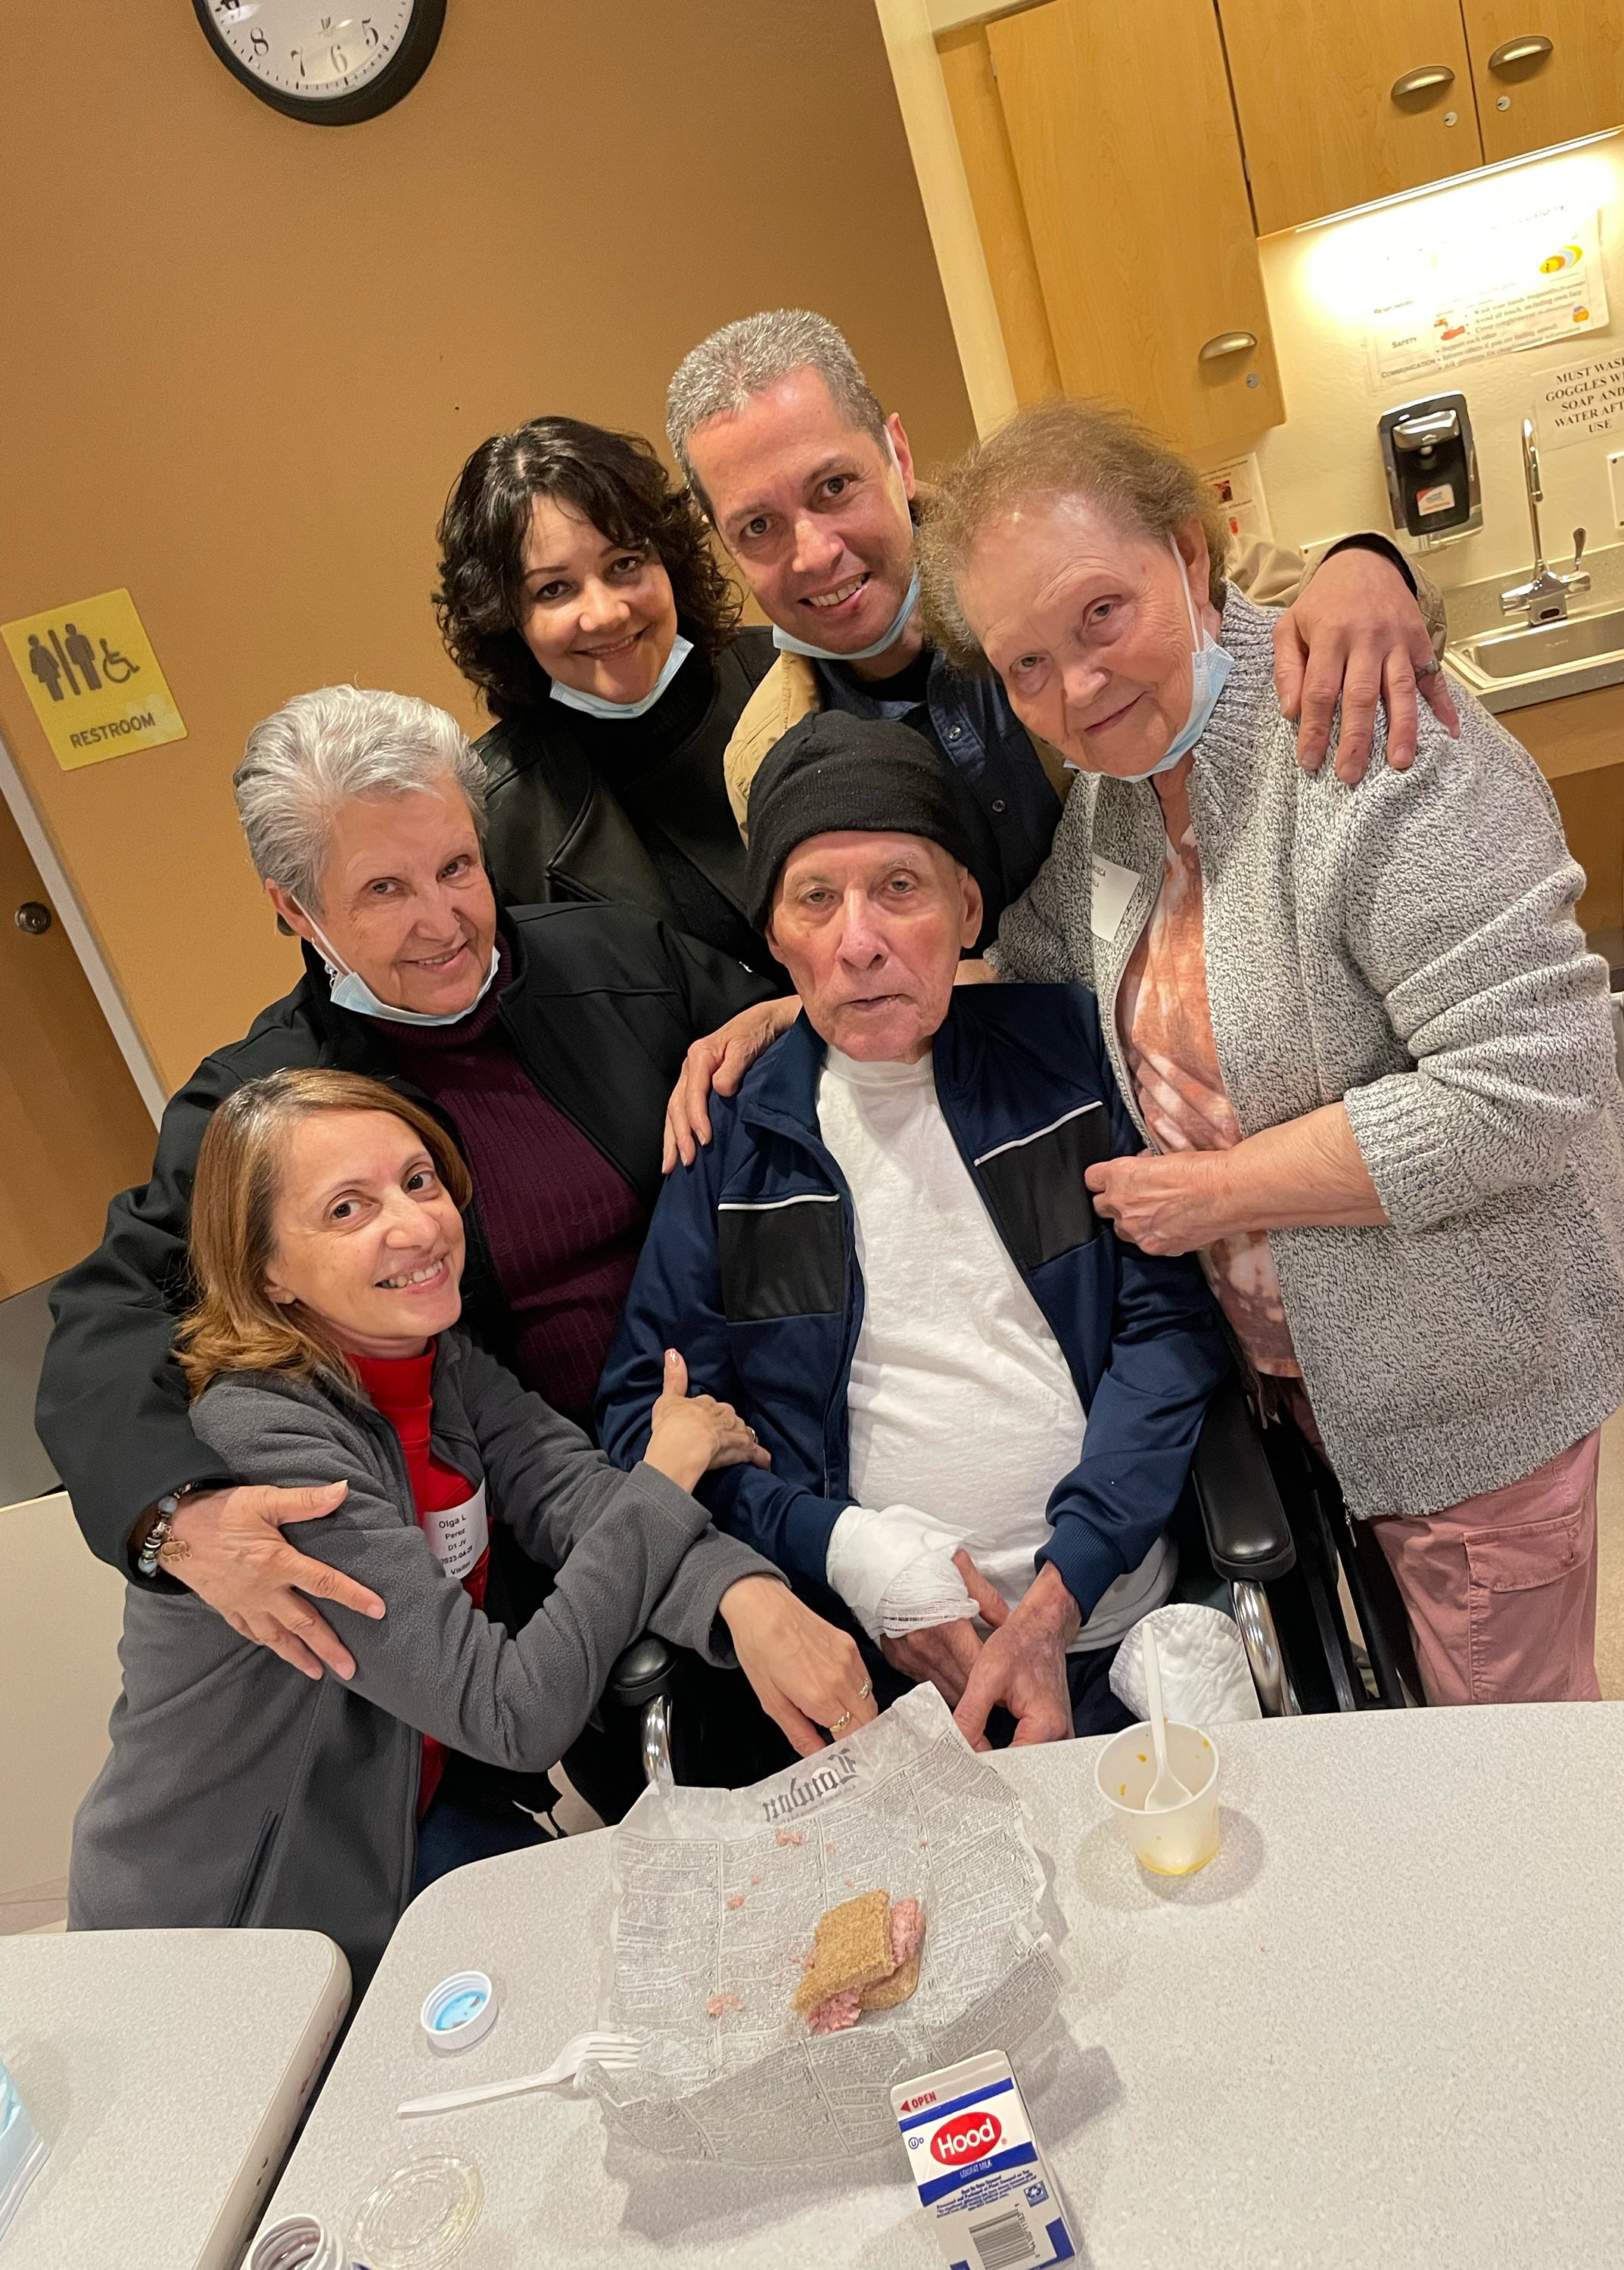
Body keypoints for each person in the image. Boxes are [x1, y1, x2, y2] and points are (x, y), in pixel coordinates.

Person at [908, 399, 1624, 1706]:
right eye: (1025, 666)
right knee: (1428, 1718)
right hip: (1317, 1386)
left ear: (1189, 556)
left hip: (1475, 1380)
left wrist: (1215, 1193)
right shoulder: (1118, 801)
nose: (1076, 690)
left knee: (1514, 1754)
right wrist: (822, 999)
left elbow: (1527, 1079)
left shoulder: (1365, 730)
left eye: (1102, 614)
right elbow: (1033, 964)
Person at [37, 688, 775, 1737]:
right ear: (296, 909)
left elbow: (803, 1052)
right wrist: (174, 1516)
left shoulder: (621, 963)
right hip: (547, 1529)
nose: (443, 922)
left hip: (747, 1435)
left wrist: (786, 1013)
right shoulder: (266, 1108)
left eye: (457, 868)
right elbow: (110, 1318)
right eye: (384, 888)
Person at [68, 1071, 870, 1993]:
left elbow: (574, 1494)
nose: (414, 1226)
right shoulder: (264, 1439)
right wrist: (668, 1470)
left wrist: (744, 1593)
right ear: (266, 1272)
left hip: (403, 1815)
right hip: (236, 1923)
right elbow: (511, 1712)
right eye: (346, 1208)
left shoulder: (433, 1361)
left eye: (419, 1181)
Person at [599, 714, 1228, 1749]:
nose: (859, 942)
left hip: (1109, 1618)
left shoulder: (1068, 1055)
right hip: (871, 1677)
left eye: (900, 887)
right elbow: (642, 1415)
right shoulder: (732, 1137)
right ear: (774, 937)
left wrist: (1062, 1591)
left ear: (967, 908)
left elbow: (1167, 1329)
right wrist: (847, 1551)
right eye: (816, 899)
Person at [662, 306, 1455, 947]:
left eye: (834, 486)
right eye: (758, 527)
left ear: (897, 455)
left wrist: (1369, 564)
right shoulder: (764, 758)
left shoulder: (1052, 552)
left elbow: (1279, 603)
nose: (813, 553)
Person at [435, 416, 783, 981]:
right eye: (554, 589)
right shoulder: (493, 822)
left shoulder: (797, 674)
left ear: (669, 560)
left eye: (624, 564)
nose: (605, 614)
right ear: (506, 619)